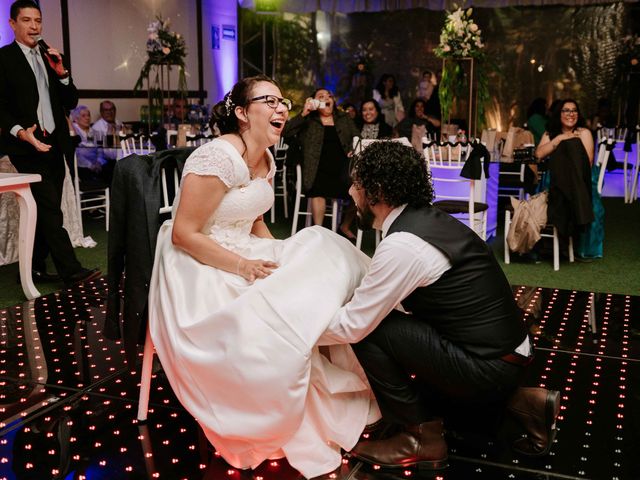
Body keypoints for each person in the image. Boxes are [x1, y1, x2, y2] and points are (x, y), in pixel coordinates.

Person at [148, 75, 379, 479]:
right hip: (196, 262)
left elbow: (252, 219)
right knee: (271, 313)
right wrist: (242, 266)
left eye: (283, 101)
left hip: (241, 246)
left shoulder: (267, 156)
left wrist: (280, 253)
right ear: (241, 112)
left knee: (318, 246)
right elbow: (185, 234)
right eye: (268, 101)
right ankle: (276, 407)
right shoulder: (217, 156)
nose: (281, 108)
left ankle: (381, 305)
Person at [319, 141, 561, 470]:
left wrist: (303, 331)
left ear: (376, 191)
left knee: (373, 332)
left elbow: (354, 325)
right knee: (402, 349)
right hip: (507, 352)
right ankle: (522, 403)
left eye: (356, 184)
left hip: (490, 365)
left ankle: (421, 437)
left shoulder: (403, 244)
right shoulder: (426, 220)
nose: (350, 192)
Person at [0, 0, 100, 284]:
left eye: (38, 21)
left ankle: (34, 268)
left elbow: (70, 102)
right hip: (26, 145)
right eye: (27, 20)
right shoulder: (4, 59)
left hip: (55, 144)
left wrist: (63, 74)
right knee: (50, 209)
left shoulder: (52, 56)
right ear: (12, 24)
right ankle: (70, 269)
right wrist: (20, 132)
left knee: (47, 208)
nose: (34, 26)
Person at [283, 87, 359, 239]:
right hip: (315, 166)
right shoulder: (309, 119)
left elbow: (357, 137)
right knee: (318, 188)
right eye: (321, 96)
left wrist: (353, 149)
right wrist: (304, 113)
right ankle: (319, 231)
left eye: (329, 96)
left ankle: (344, 225)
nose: (326, 98)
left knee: (360, 188)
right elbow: (286, 132)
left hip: (342, 165)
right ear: (314, 102)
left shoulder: (343, 118)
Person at [536, 99, 604, 260]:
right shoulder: (550, 133)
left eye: (574, 110)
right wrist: (559, 139)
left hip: (580, 180)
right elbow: (538, 155)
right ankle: (557, 244)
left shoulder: (584, 132)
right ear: (559, 113)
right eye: (566, 110)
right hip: (554, 181)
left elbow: (586, 163)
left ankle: (575, 245)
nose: (570, 114)